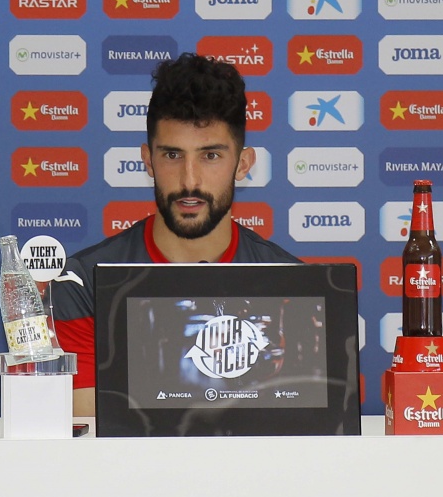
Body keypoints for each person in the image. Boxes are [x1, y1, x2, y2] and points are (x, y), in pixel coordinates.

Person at [50, 52, 300, 417]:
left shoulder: (293, 284)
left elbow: (302, 425)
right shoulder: (84, 284)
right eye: (172, 155)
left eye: (210, 156)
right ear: (147, 160)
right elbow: (87, 429)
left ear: (243, 163)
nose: (189, 180)